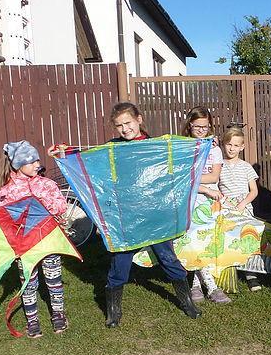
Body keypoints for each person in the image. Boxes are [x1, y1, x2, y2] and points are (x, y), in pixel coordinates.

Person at [104, 102, 201, 327]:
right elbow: (91, 162)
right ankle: (113, 311)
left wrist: (203, 145)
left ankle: (187, 302)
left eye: (128, 123)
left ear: (139, 119)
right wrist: (65, 153)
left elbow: (181, 159)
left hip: (155, 217)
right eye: (119, 125)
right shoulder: (111, 149)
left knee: (168, 258)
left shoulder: (157, 147)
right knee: (120, 263)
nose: (124, 129)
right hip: (126, 218)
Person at [0, 140, 68, 338]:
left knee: (54, 280)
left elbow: (61, 206)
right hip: (25, 245)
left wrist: (43, 205)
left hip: (49, 241)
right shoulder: (7, 191)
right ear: (18, 164)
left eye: (37, 159)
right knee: (28, 283)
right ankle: (32, 321)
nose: (37, 164)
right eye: (31, 161)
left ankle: (58, 315)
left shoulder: (47, 184)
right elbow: (6, 219)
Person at [181, 107, 231, 304]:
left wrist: (195, 181)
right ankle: (210, 287)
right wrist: (204, 187)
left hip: (210, 201)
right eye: (197, 126)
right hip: (191, 200)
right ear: (189, 125)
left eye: (205, 126)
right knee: (193, 239)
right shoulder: (183, 146)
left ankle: (195, 284)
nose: (202, 130)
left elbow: (214, 176)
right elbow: (180, 175)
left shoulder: (214, 148)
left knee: (207, 241)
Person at [218, 126, 262, 292]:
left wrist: (243, 203)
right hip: (226, 208)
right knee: (228, 240)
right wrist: (225, 203)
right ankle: (229, 270)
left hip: (244, 209)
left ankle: (251, 274)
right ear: (224, 144)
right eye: (229, 144)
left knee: (247, 240)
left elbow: (254, 190)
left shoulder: (246, 167)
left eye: (236, 145)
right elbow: (217, 186)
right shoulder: (219, 165)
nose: (232, 148)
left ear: (242, 147)